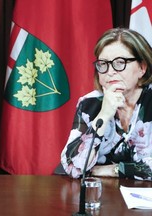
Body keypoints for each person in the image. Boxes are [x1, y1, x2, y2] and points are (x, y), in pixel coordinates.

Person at [59, 28, 152, 181]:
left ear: (142, 68)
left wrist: (114, 170)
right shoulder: (89, 104)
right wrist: (104, 114)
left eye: (120, 63)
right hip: (101, 197)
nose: (110, 71)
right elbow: (73, 168)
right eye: (103, 64)